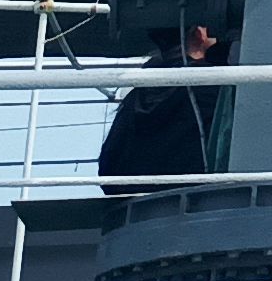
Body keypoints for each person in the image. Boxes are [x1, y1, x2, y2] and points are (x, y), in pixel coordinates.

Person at [95, 28, 224, 190]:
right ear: (200, 35)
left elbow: (109, 170)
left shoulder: (135, 97)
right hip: (202, 195)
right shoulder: (216, 87)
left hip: (132, 198)